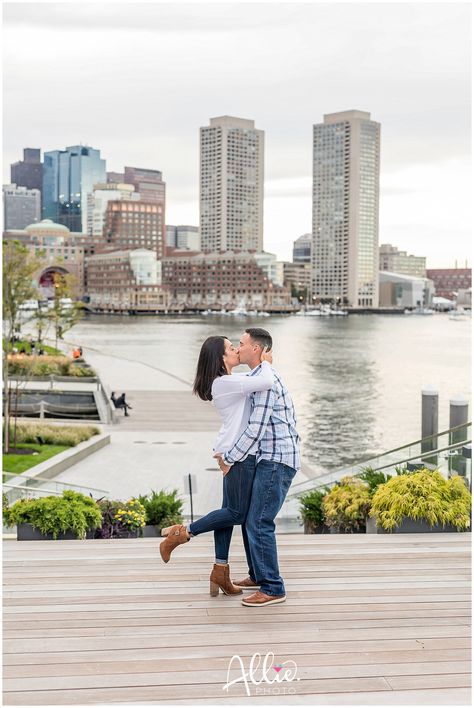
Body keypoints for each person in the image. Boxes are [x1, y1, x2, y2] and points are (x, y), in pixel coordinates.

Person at [159, 335, 274, 597]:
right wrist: (266, 360)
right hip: (238, 453)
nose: (235, 349)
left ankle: (220, 570)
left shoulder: (230, 382)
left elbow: (256, 382)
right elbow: (265, 380)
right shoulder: (226, 382)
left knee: (228, 512)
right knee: (236, 514)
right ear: (221, 358)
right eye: (231, 348)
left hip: (232, 450)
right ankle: (183, 532)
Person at [214, 328, 300, 608]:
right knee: (251, 517)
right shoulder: (256, 377)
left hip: (276, 457)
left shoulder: (266, 380)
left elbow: (257, 428)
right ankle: (258, 575)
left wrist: (230, 456)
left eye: (241, 344)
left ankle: (273, 587)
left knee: (259, 521)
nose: (238, 348)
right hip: (268, 457)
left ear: (256, 349)